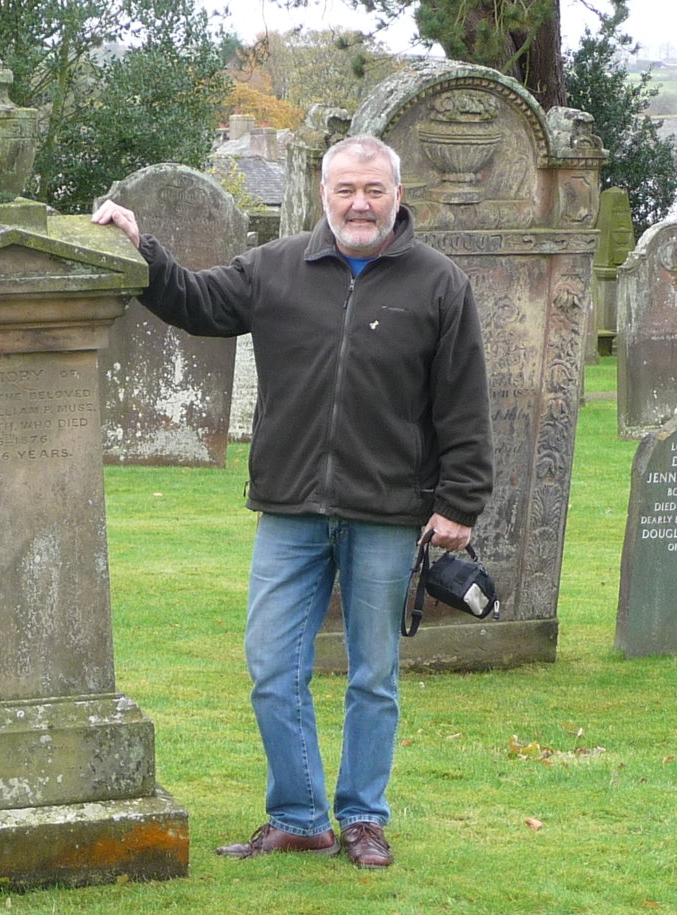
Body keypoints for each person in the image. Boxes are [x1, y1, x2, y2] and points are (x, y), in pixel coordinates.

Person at [91, 134, 493, 868]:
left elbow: (462, 404)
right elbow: (195, 301)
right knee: (273, 666)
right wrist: (140, 248)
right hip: (290, 506)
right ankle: (301, 814)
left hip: (386, 508)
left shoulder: (437, 284)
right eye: (345, 189)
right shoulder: (274, 268)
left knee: (372, 675)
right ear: (323, 194)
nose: (359, 203)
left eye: (372, 189)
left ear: (397, 195)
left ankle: (363, 818)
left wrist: (459, 502)